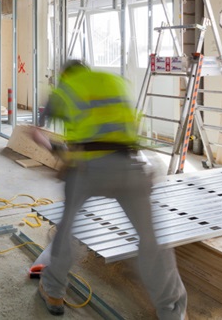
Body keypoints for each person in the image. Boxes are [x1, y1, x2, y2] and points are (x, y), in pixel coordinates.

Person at [31, 60, 187, 319]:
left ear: (65, 74)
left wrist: (57, 152)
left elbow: (38, 132)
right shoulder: (115, 82)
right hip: (130, 165)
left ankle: (54, 292)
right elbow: (127, 129)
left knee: (67, 229)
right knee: (151, 240)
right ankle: (172, 312)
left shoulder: (65, 88)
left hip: (88, 170)